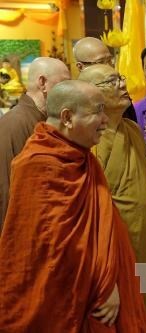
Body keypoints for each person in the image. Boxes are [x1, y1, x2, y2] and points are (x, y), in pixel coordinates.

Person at [0, 80, 146, 331]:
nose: (104, 120)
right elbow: (56, 248)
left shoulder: (80, 155)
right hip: (75, 295)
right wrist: (104, 286)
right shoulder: (38, 164)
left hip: (101, 286)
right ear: (67, 117)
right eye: (97, 111)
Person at [79, 64, 146, 333]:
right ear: (91, 94)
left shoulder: (132, 128)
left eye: (120, 78)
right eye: (112, 81)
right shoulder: (89, 141)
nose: (124, 85)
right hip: (121, 246)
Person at [0, 57, 70, 229]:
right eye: (64, 83)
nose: (68, 91)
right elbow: (6, 189)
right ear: (43, 83)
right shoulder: (16, 123)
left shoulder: (46, 119)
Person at [73, 36, 137, 122]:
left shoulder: (120, 91)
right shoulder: (76, 98)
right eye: (101, 62)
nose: (109, 66)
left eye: (110, 60)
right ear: (80, 67)